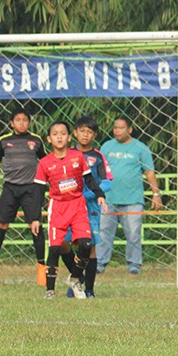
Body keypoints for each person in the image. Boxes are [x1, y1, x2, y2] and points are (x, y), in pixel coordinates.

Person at [34, 121, 106, 299]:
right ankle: (50, 291)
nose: (59, 136)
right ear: (49, 139)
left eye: (63, 133)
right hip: (58, 208)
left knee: (86, 244)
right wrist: (35, 217)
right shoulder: (44, 163)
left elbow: (89, 179)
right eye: (55, 134)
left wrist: (99, 193)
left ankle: (74, 278)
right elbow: (38, 192)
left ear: (69, 136)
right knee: (55, 248)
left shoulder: (78, 157)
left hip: (78, 205)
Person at [0, 106, 47, 285]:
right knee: (1, 223)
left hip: (31, 188)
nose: (22, 123)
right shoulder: (4, 140)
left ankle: (41, 268)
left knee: (35, 225)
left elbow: (45, 161)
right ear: (12, 123)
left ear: (29, 122)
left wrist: (51, 182)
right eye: (18, 120)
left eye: (25, 120)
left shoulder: (36, 140)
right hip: (10, 188)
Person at [97, 117, 162, 274]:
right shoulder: (107, 146)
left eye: (121, 127)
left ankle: (134, 265)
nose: (117, 131)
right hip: (108, 198)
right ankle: (99, 263)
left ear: (130, 129)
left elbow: (149, 172)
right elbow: (99, 170)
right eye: (115, 127)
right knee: (104, 231)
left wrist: (156, 194)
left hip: (133, 199)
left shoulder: (141, 148)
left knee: (133, 234)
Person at [60, 116, 112, 298]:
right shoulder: (66, 153)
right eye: (82, 130)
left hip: (90, 207)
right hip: (67, 206)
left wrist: (88, 195)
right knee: (63, 243)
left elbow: (107, 183)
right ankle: (77, 278)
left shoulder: (97, 157)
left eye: (89, 132)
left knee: (89, 247)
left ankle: (89, 289)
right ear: (75, 133)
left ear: (94, 135)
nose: (85, 134)